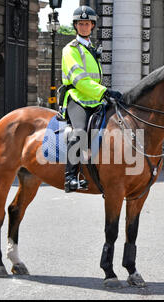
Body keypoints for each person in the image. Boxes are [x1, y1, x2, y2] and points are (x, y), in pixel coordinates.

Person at [61, 5, 122, 193]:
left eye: (87, 23)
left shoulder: (91, 49)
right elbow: (79, 80)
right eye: (81, 23)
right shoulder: (70, 50)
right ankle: (70, 177)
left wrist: (103, 96)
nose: (84, 26)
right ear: (76, 26)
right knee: (79, 131)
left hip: (96, 100)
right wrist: (104, 91)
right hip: (77, 99)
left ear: (93, 26)